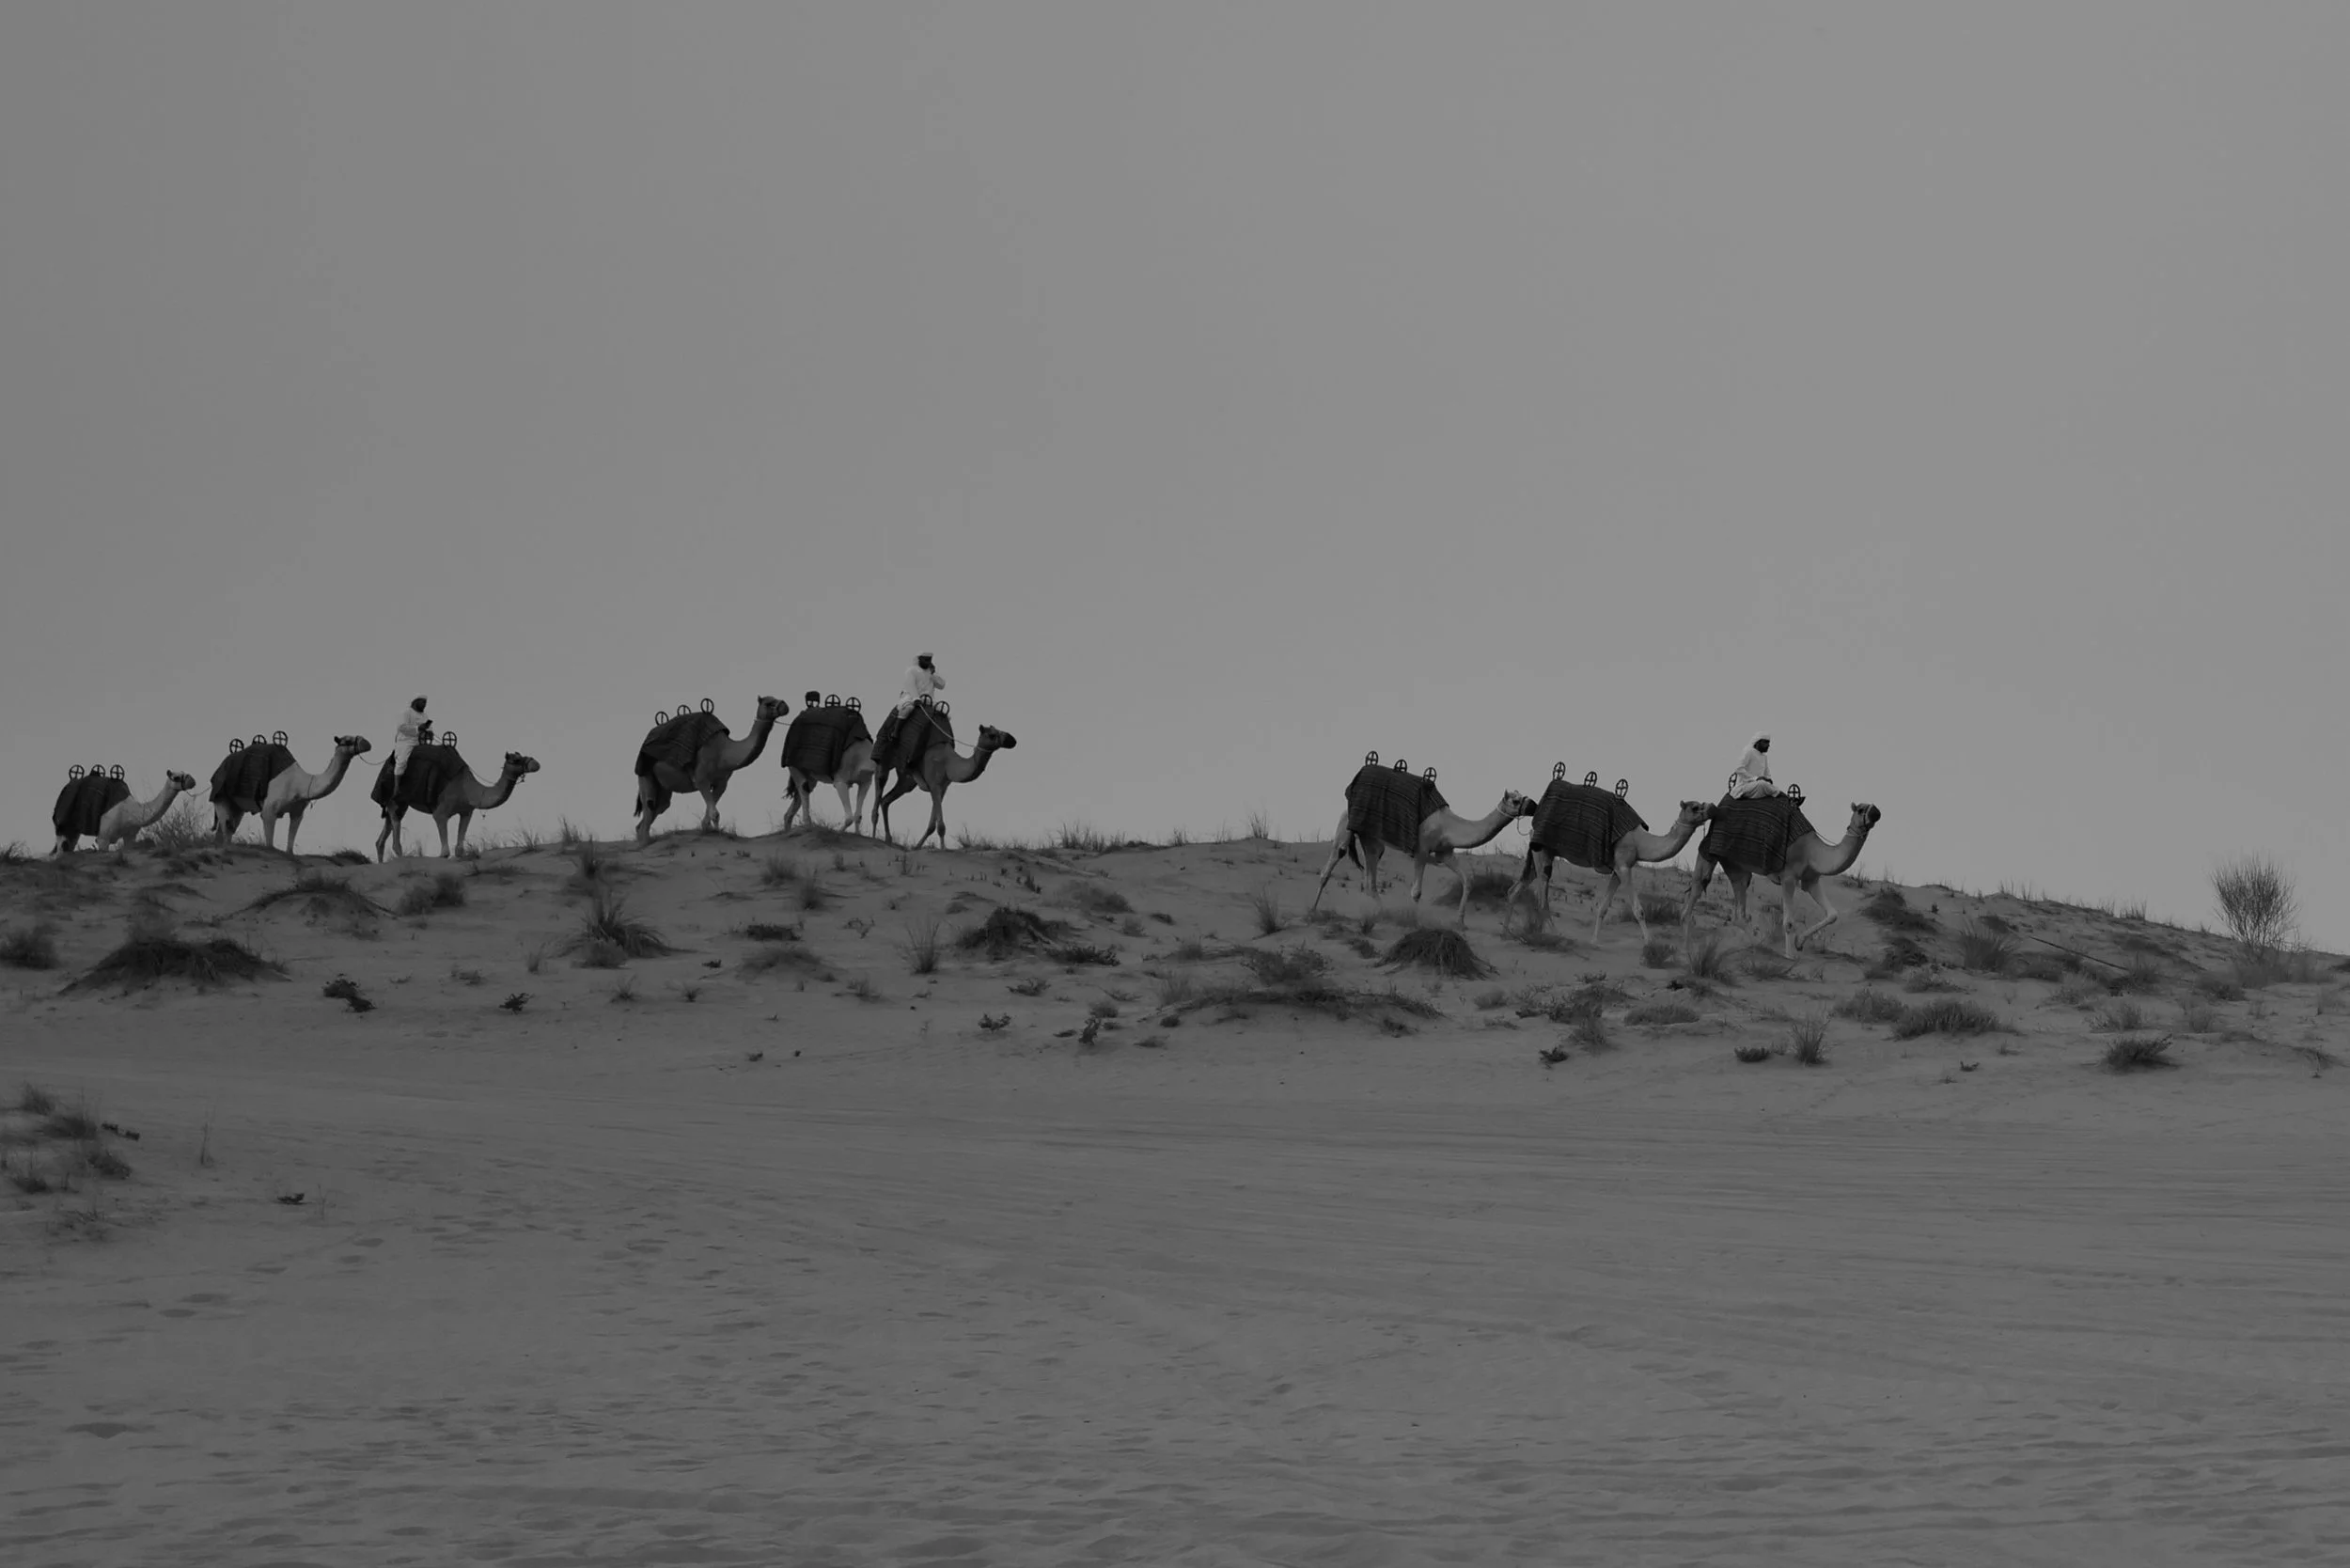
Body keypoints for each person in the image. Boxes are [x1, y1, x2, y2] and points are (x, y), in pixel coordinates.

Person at [873, 653, 945, 765]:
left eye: (929, 660)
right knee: (907, 709)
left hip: (930, 702)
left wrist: (933, 673)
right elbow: (910, 685)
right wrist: (916, 698)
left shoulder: (930, 673)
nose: (927, 662)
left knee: (945, 714)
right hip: (911, 698)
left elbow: (942, 685)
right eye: (925, 660)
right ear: (919, 660)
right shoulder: (912, 671)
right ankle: (895, 732)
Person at [1728, 732, 1779, 799]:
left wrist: (1768, 779)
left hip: (1758, 786)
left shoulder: (1764, 757)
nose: (1768, 745)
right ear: (1758, 742)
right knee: (1762, 784)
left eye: (1768, 743)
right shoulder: (1749, 752)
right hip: (1745, 786)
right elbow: (1738, 769)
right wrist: (1755, 778)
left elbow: (1767, 773)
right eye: (1766, 742)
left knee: (1770, 786)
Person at [392, 696, 431, 781]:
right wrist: (418, 729)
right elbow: (402, 728)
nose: (425, 705)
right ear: (416, 701)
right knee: (402, 762)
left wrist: (429, 732)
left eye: (425, 703)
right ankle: (396, 786)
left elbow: (429, 729)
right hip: (406, 742)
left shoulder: (424, 716)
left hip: (421, 742)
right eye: (423, 702)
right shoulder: (406, 713)